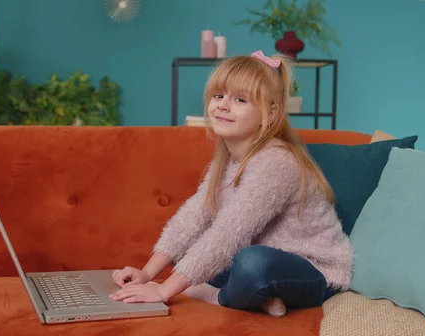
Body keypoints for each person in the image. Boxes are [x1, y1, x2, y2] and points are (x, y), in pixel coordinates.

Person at [109, 50, 353, 317]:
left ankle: (216, 296)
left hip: (313, 271)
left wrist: (164, 291)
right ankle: (258, 298)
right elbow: (194, 216)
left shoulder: (276, 161)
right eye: (218, 96)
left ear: (269, 114)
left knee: (252, 263)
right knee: (193, 247)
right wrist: (147, 273)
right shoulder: (226, 159)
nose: (223, 105)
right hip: (255, 260)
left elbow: (229, 232)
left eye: (239, 99)